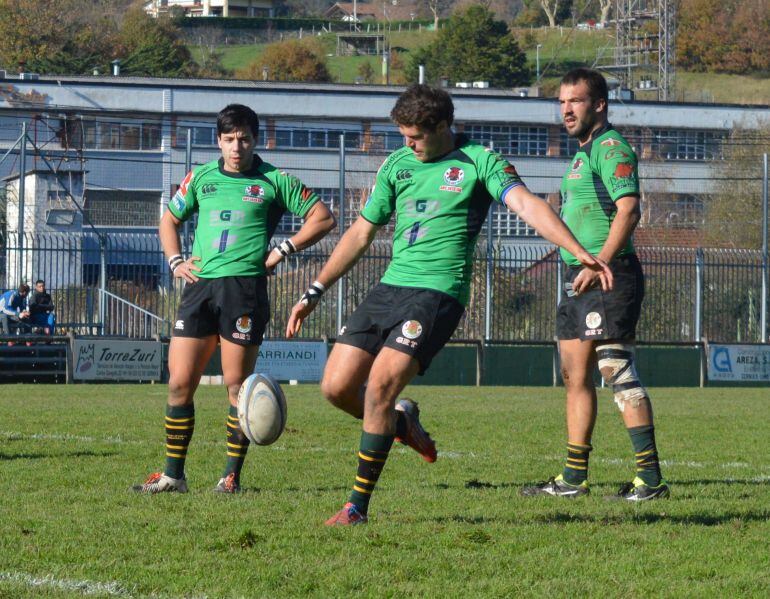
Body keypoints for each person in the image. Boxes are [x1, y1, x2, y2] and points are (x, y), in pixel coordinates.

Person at [286, 84, 613, 525]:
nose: (407, 144)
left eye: (415, 136)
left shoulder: (480, 161)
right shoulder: (398, 164)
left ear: (442, 127)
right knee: (336, 388)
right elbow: (361, 233)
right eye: (402, 135)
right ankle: (404, 425)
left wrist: (578, 248)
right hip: (388, 290)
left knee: (380, 389)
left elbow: (527, 205)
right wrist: (314, 290)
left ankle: (355, 508)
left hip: (437, 295)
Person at [134, 103, 335, 494]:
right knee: (178, 383)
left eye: (244, 139)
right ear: (219, 142)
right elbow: (168, 220)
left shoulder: (274, 180)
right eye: (229, 140)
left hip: (244, 290)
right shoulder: (201, 177)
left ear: (255, 140)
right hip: (199, 287)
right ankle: (173, 476)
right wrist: (176, 261)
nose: (236, 147)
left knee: (235, 386)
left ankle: (230, 477)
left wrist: (282, 251)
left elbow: (323, 218)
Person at [521, 68, 669, 502]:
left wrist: (600, 261)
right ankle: (573, 478)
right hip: (578, 278)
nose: (566, 109)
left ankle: (651, 479)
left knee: (615, 370)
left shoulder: (610, 147)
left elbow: (629, 210)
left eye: (576, 101)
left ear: (599, 105)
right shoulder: (579, 156)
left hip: (609, 274)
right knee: (574, 375)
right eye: (562, 101)